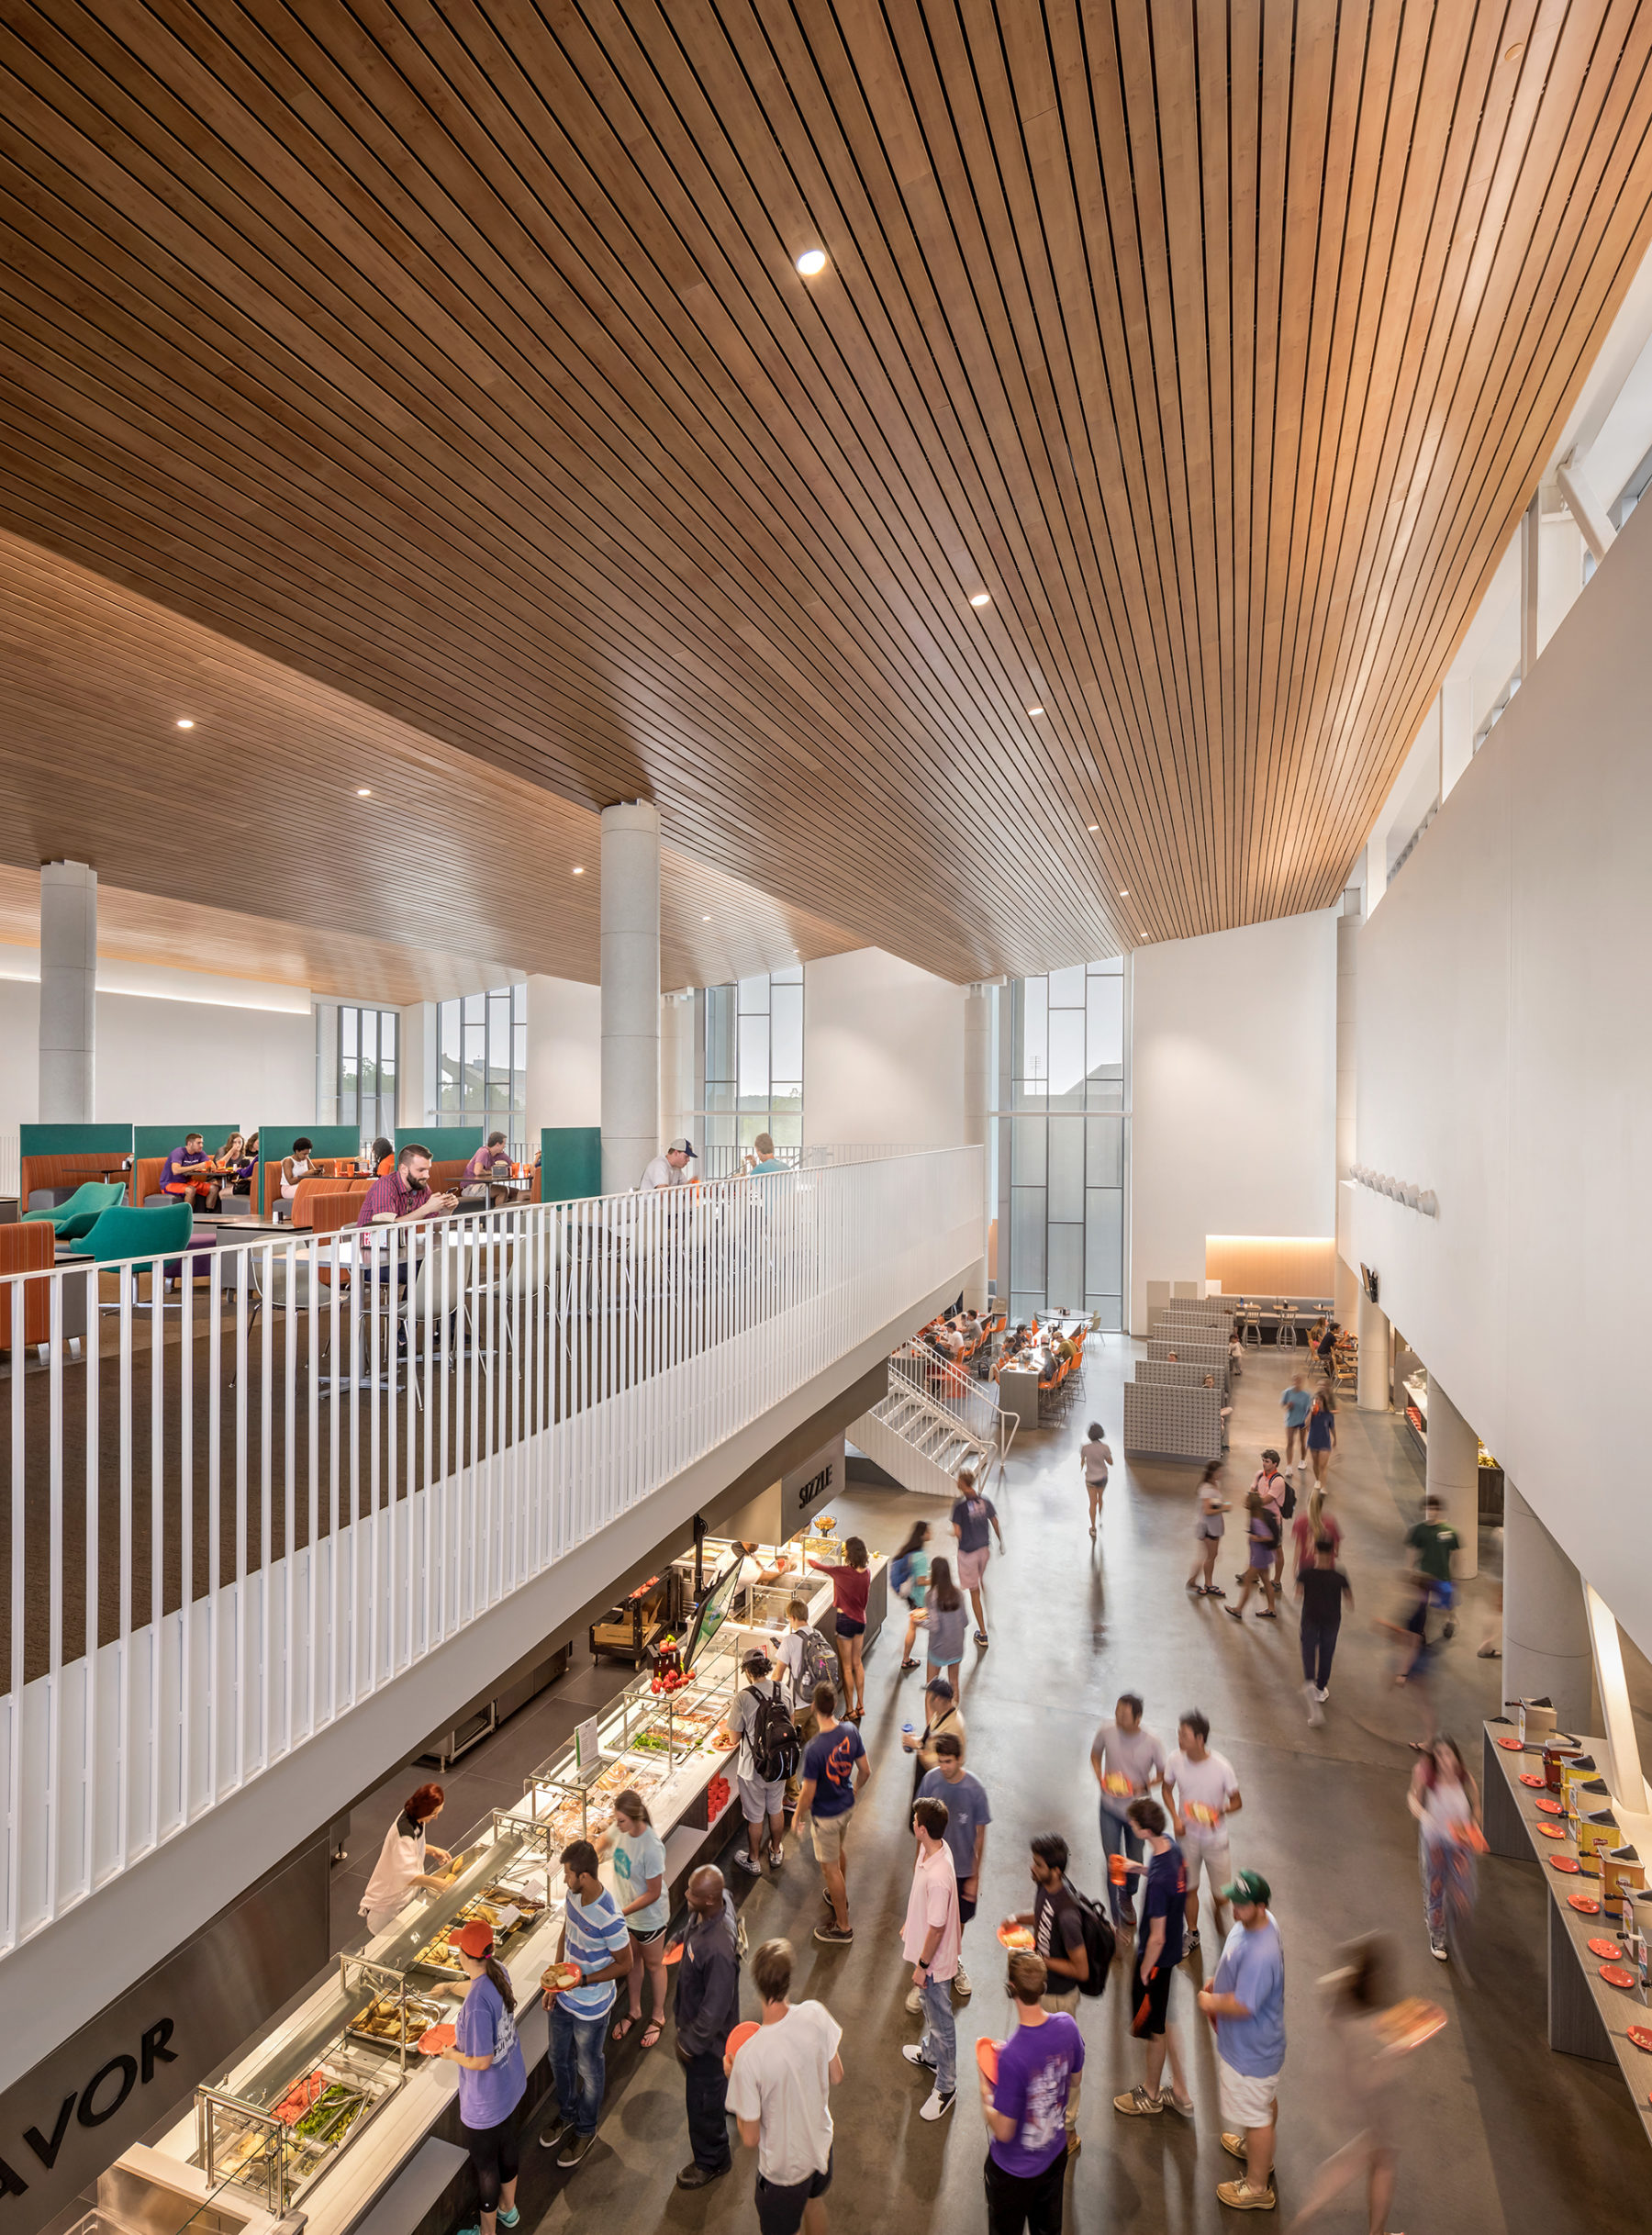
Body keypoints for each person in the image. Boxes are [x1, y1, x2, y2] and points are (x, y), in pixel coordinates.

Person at [1284, 1935, 1406, 2235]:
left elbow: (1327, 1985)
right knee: (1373, 2160)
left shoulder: (1342, 2000)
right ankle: (1316, 2216)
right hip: (1374, 2106)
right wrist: (1396, 2053)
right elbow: (1369, 2080)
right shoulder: (1371, 2026)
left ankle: (1317, 2215)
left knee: (1369, 2158)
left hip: (1340, 2089)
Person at [726, 1938, 842, 2235]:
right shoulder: (816, 2014)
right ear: (789, 1979)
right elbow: (837, 2075)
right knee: (814, 2204)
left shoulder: (749, 2058)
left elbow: (749, 2138)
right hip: (820, 2146)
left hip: (784, 2173)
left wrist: (736, 2081)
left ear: (758, 1985)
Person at [538, 1840, 631, 2170]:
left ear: (586, 1876)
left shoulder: (610, 1918)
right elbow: (567, 1931)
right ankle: (566, 2114)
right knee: (557, 2058)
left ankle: (586, 2129)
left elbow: (625, 1964)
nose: (564, 1880)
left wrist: (585, 1981)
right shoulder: (573, 1896)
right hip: (564, 1997)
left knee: (589, 2068)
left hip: (592, 2008)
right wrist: (555, 1977)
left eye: (568, 1874)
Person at [1198, 1870, 1285, 2213]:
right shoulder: (1259, 1923)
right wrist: (1218, 1982)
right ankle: (1257, 2151)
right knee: (1263, 2101)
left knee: (1257, 2114)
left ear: (1261, 1907)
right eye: (1234, 1900)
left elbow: (1245, 2004)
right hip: (1259, 2045)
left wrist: (1212, 2001)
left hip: (1251, 2050)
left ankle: (1257, 2186)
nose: (1234, 1908)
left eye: (1243, 1904)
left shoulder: (1262, 1954)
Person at [981, 1950, 1085, 2234]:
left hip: (1013, 2171)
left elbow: (1003, 2131)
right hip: (1053, 2155)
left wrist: (985, 2093)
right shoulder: (1068, 2026)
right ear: (1044, 1986)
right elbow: (1075, 2081)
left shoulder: (1011, 2057)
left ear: (1010, 1988)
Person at [1000, 1834, 1090, 2153]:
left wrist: (1040, 1960)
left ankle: (1068, 2129)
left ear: (1055, 1870)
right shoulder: (1045, 1887)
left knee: (1063, 2066)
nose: (1031, 1868)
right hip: (1045, 1989)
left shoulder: (1069, 1914)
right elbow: (1042, 1915)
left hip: (1060, 1998)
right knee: (1042, 2060)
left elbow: (1081, 1970)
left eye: (1038, 1865)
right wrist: (1018, 1919)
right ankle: (1040, 2110)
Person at [437, 1917, 527, 2235]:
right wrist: (448, 1987)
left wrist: (450, 2054)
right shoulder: (497, 1970)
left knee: (486, 2167)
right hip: (510, 2086)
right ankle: (509, 2209)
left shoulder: (476, 2006)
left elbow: (481, 2060)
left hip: (485, 2101)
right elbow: (474, 1985)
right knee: (508, 2146)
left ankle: (487, 2233)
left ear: (464, 1955)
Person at [1112, 1796, 1191, 2119]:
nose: (1131, 1827)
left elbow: (1156, 1936)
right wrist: (1137, 1868)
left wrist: (1144, 1969)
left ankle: (1151, 2093)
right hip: (1172, 1951)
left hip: (1157, 1959)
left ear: (1144, 1831)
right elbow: (1163, 1875)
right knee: (1164, 2021)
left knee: (1154, 2029)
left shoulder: (1159, 1884)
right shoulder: (1171, 1848)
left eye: (1133, 1825)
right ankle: (1178, 2092)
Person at [673, 1864, 741, 2190]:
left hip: (709, 2046)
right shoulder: (716, 1903)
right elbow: (692, 1927)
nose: (686, 1896)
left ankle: (713, 2160)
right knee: (710, 2094)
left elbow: (715, 2009)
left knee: (702, 2102)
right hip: (696, 2030)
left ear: (710, 1899)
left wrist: (691, 2043)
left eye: (693, 1894)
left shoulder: (719, 1950)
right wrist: (679, 1939)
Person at [900, 1794, 961, 2119]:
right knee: (929, 2008)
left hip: (934, 1964)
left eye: (915, 1821)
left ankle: (947, 2085)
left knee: (941, 2021)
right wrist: (911, 1922)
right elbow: (926, 1911)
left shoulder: (938, 1878)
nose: (912, 1824)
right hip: (925, 1949)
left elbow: (937, 1928)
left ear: (922, 1829)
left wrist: (923, 1967)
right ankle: (932, 2056)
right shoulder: (932, 1849)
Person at [916, 1732, 988, 2003]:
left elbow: (980, 1835)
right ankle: (924, 1970)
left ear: (961, 1759)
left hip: (961, 1872)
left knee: (957, 1923)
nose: (944, 1766)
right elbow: (920, 1827)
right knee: (931, 1921)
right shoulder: (931, 1781)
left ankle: (953, 1961)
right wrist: (918, 1863)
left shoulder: (975, 1790)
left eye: (949, 1761)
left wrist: (975, 1876)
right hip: (934, 1869)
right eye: (941, 1760)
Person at [1162, 1711, 1242, 1955]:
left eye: (1184, 1734)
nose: (1179, 1738)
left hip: (1215, 1839)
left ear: (1199, 1739)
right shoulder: (1175, 1759)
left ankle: (1217, 1907)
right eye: (1179, 1733)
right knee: (1189, 1888)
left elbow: (1237, 1801)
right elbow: (1167, 1789)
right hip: (1186, 1837)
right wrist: (1175, 1818)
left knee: (1223, 1895)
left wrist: (1220, 1810)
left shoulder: (1221, 1767)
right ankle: (1193, 1932)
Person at [794, 1682, 868, 1944]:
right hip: (846, 1806)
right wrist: (855, 1788)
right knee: (837, 1853)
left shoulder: (815, 1748)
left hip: (826, 1815)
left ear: (814, 1707)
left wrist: (796, 1816)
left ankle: (843, 1926)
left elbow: (808, 1792)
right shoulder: (850, 1731)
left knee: (829, 1868)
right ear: (834, 1704)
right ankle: (839, 1893)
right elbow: (866, 1770)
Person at [598, 1789, 668, 2048]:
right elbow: (602, 1842)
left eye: (622, 1820)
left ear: (635, 1818)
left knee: (653, 1964)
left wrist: (621, 1913)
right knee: (632, 1962)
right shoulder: (620, 1830)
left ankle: (658, 2014)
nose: (617, 1825)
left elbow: (653, 1892)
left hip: (649, 1918)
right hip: (625, 1915)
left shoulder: (651, 1847)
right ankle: (635, 2009)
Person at [1090, 1692, 1166, 1929]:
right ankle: (1114, 1914)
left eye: (1124, 1714)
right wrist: (1100, 1777)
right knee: (1113, 1861)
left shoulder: (1152, 1742)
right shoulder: (1106, 1731)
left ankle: (1128, 1895)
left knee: (1134, 1858)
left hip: (1138, 1813)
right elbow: (1095, 1755)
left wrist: (1140, 1786)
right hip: (1109, 1808)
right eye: (1116, 1712)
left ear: (1138, 1718)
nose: (1118, 1718)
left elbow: (1164, 1775)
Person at [719, 1647, 797, 1875]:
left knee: (754, 1817)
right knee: (775, 1809)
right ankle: (775, 1851)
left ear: (747, 1672)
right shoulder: (783, 1689)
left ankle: (753, 1859)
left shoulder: (743, 1697)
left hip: (752, 1769)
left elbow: (733, 1738)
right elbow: (790, 1723)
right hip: (779, 1762)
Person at [1409, 1735, 1481, 1961]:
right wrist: (1423, 1815)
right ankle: (1437, 1936)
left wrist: (1474, 1827)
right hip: (1434, 1842)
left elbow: (1476, 1806)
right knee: (1436, 1889)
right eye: (1438, 1755)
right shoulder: (1426, 1776)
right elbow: (1413, 1799)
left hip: (1459, 1842)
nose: (1443, 1760)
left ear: (1455, 1756)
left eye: (1447, 1754)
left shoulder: (1465, 1778)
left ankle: (1437, 1916)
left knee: (1463, 1895)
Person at [358, 1782, 453, 1935]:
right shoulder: (404, 1833)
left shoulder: (417, 1818)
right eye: (434, 1813)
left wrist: (431, 1850)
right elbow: (408, 1876)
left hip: (406, 1896)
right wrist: (439, 1884)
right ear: (424, 1810)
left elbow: (411, 1849)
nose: (436, 1818)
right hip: (388, 1905)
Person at [807, 1537, 871, 1720]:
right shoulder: (866, 1573)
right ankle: (861, 1706)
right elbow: (865, 1599)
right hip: (861, 1620)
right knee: (858, 1663)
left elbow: (817, 1565)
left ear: (849, 1554)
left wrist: (804, 1558)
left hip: (844, 1621)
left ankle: (849, 1710)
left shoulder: (842, 1572)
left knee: (847, 1666)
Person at [1299, 1536, 1355, 1724]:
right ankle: (1321, 1688)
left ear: (1314, 1551)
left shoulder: (1306, 1573)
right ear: (1332, 1552)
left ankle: (1309, 1682)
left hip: (1310, 1618)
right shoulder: (1339, 1576)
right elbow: (1350, 1601)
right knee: (1326, 1653)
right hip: (1331, 1620)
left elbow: (1297, 1595)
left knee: (1308, 1651)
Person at [951, 1465, 1003, 1647]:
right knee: (979, 1580)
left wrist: (956, 1533)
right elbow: (995, 1521)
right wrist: (1001, 1541)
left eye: (958, 1479)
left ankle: (982, 1633)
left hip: (969, 1553)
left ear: (962, 1483)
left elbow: (957, 1532)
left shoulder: (959, 1506)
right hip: (984, 1550)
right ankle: (980, 1581)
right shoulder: (984, 1500)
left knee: (974, 1592)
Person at [357, 1142, 460, 1225]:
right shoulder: (385, 1186)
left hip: (400, 1245)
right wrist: (426, 1209)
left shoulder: (421, 1186)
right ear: (403, 1169)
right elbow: (385, 1228)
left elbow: (435, 1228)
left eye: (428, 1170)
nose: (427, 1175)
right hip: (370, 1246)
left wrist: (447, 1210)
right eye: (421, 1170)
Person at [904, 1674, 966, 1798]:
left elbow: (940, 1765)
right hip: (927, 1774)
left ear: (937, 1699)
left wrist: (919, 1751)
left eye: (929, 1696)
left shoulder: (953, 1727)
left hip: (937, 1783)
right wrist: (915, 1741)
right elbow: (931, 1738)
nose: (927, 1699)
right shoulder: (942, 1714)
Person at [1224, 1491, 1281, 1621]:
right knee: (1266, 1581)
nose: (1245, 1502)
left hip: (1259, 1557)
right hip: (1265, 1555)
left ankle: (1239, 1610)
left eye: (1247, 1501)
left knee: (1248, 1581)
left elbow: (1268, 1536)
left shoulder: (1256, 1520)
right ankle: (1271, 1609)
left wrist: (1256, 1538)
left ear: (1252, 1505)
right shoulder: (1261, 1515)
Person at [1405, 1492, 1461, 1622]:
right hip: (1424, 1576)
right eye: (1429, 1508)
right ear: (1425, 1509)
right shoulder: (1419, 1530)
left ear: (1439, 1510)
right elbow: (1412, 1549)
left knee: (1448, 1602)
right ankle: (1421, 1630)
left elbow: (1455, 1554)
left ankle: (1451, 1620)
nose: (1431, 1512)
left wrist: (1455, 1575)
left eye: (1434, 1509)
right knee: (1421, 1605)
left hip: (1443, 1575)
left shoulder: (1448, 1531)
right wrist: (1410, 1569)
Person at [920, 1556, 968, 1690]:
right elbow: (965, 1621)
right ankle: (954, 1710)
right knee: (954, 1683)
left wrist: (919, 1622)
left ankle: (930, 1711)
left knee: (931, 1686)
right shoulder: (958, 1593)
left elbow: (934, 1625)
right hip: (956, 1647)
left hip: (938, 1648)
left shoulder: (931, 1597)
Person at [890, 1518, 932, 1673]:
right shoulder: (920, 1556)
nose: (931, 1533)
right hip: (919, 1599)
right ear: (922, 1535)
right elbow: (921, 1581)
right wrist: (937, 1579)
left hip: (910, 1597)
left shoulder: (908, 1551)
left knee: (912, 1626)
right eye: (928, 1531)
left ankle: (906, 1659)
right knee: (932, 1626)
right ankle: (907, 1659)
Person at [1187, 1461, 1230, 1596]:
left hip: (1214, 1526)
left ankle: (1206, 1583)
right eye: (1219, 1472)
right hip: (1207, 1528)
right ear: (1212, 1473)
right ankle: (1195, 1582)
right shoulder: (1206, 1489)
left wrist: (1222, 1506)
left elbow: (1214, 1504)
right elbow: (1207, 1511)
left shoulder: (1216, 1485)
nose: (1221, 1474)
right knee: (1208, 1557)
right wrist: (1225, 1507)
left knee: (1210, 1556)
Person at [1289, 1481, 1343, 1580]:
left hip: (1306, 1564)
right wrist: (1336, 1553)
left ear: (1308, 1503)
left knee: (1309, 1593)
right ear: (1321, 1505)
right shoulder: (1330, 1522)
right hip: (1326, 1565)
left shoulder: (1300, 1520)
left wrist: (1294, 1567)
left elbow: (1299, 1546)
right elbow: (1336, 1545)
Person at [160, 1132, 219, 1209]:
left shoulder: (200, 1153)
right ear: (190, 1143)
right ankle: (187, 1216)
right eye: (198, 1143)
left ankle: (208, 1215)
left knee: (214, 1188)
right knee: (191, 1190)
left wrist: (205, 1167)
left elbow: (213, 1166)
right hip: (170, 1183)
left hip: (187, 1182)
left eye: (202, 1143)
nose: (201, 1145)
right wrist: (197, 1166)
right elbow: (175, 1170)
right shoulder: (178, 1152)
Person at [1078, 1421, 1113, 1538]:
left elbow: (1082, 1461)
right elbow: (1110, 1462)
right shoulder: (1105, 1448)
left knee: (1092, 1502)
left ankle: (1093, 1528)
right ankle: (1100, 1514)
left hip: (1090, 1479)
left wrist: (1082, 1466)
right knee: (1100, 1498)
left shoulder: (1085, 1448)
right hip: (1103, 1477)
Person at [1306, 1383, 1337, 1487]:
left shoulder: (1328, 1415)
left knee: (1322, 1465)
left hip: (1324, 1441)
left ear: (1323, 1401)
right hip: (1313, 1440)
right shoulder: (1312, 1412)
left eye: (1319, 1400)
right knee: (1315, 1464)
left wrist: (1335, 1439)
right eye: (1316, 1400)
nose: (1317, 1402)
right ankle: (1317, 1480)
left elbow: (1332, 1427)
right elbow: (1306, 1425)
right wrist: (1311, 1413)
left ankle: (1323, 1486)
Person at [1280, 1373, 1312, 1475]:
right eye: (1295, 1380)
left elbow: (1309, 1409)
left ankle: (1303, 1460)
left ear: (1301, 1382)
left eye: (1299, 1380)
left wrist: (1308, 1422)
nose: (1296, 1382)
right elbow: (1283, 1404)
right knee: (1290, 1442)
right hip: (1290, 1420)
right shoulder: (1287, 1392)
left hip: (1302, 1420)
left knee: (1302, 1441)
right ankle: (1289, 1466)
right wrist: (1287, 1406)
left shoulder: (1306, 1395)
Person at [278, 1135, 318, 1206]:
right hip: (288, 1189)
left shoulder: (306, 1159)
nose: (306, 1156)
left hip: (302, 1186)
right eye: (304, 1154)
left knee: (317, 1188)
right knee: (309, 1189)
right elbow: (290, 1181)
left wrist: (318, 1172)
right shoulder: (288, 1161)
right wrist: (305, 1174)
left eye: (308, 1153)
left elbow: (314, 1172)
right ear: (297, 1151)